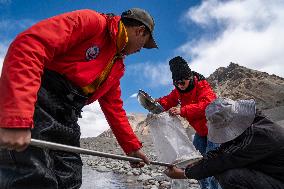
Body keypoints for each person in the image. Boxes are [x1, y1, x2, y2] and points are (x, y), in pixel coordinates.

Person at [0, 8, 157, 189]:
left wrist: (132, 148)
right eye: (144, 44)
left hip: (68, 117)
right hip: (36, 103)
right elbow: (28, 46)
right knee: (32, 178)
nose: (140, 50)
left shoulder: (117, 66)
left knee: (70, 178)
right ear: (140, 31)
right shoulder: (92, 22)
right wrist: (16, 119)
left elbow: (115, 109)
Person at [164, 97, 284, 189]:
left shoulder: (258, 135)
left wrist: (184, 173)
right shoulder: (251, 124)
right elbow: (223, 151)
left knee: (230, 176)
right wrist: (193, 162)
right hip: (269, 172)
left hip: (279, 180)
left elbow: (222, 160)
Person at [156, 56, 220, 189]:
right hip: (201, 132)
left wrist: (182, 110)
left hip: (215, 131)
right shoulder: (178, 91)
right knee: (196, 163)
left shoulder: (203, 86)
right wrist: (156, 103)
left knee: (213, 165)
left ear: (189, 78)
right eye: (176, 83)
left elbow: (207, 105)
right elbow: (168, 100)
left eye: (182, 82)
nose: (180, 86)